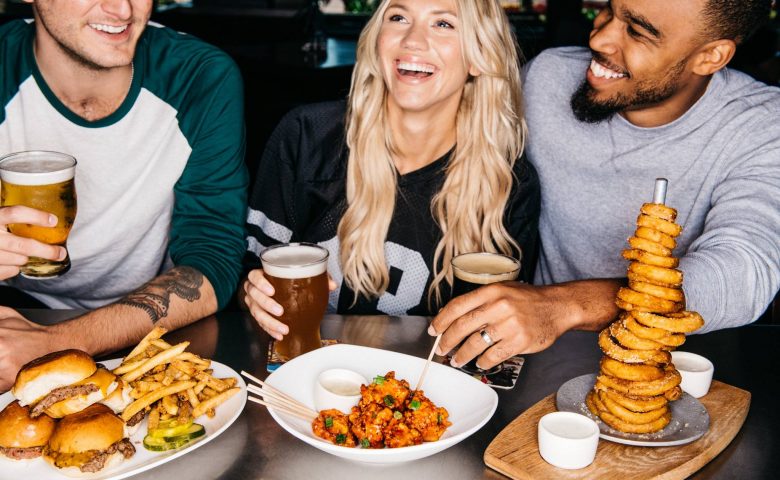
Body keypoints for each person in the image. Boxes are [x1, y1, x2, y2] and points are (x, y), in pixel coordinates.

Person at [431, 0, 780, 369]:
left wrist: (563, 306)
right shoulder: (546, 78)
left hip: (676, 372)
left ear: (710, 56)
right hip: (537, 362)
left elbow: (744, 274)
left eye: (637, 31)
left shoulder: (760, 124)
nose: (598, 39)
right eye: (610, 11)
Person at [242, 0, 540, 340]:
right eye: (398, 17)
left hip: (433, 376)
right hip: (308, 368)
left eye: (443, 24)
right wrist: (253, 295)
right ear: (377, 39)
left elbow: (504, 327)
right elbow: (247, 281)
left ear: (479, 55)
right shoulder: (307, 136)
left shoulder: (509, 184)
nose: (413, 40)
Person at [0, 0, 248, 391]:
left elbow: (213, 257)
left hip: (154, 330)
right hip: (15, 312)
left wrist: (57, 344)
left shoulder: (199, 75)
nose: (122, 9)